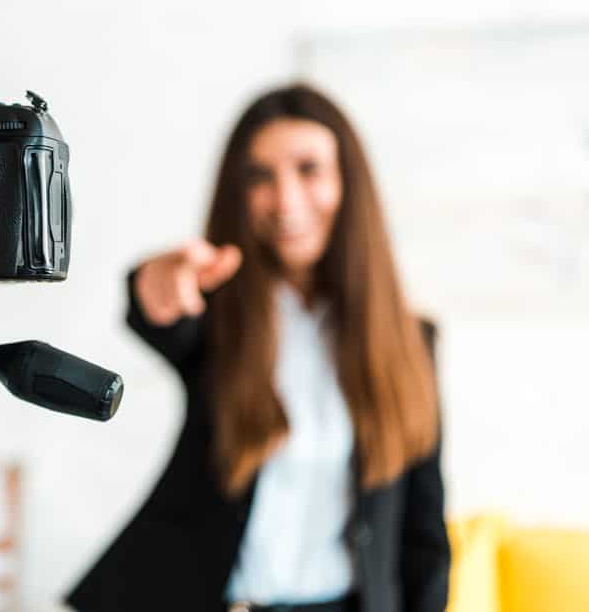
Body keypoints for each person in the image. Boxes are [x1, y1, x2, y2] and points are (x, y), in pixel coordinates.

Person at [66, 84, 449, 612]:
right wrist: (155, 282)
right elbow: (155, 310)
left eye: (308, 169)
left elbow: (422, 531)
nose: (286, 199)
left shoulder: (412, 342)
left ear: (347, 182)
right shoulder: (219, 314)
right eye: (260, 176)